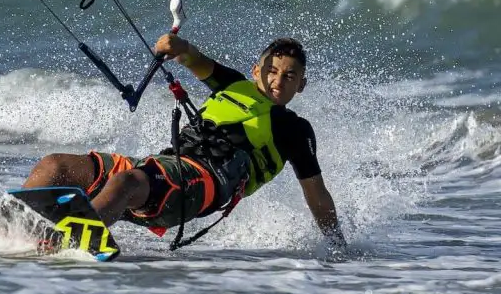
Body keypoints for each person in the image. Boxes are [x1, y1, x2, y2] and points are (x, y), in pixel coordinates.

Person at [22, 33, 347, 249]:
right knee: (56, 165)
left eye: (289, 76)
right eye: (272, 70)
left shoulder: (295, 129)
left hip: (202, 187)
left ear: (301, 84)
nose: (278, 81)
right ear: (256, 69)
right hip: (165, 168)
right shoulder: (233, 84)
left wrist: (337, 248)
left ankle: (71, 241)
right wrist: (174, 45)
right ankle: (18, 225)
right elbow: (191, 56)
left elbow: (317, 196)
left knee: (125, 183)